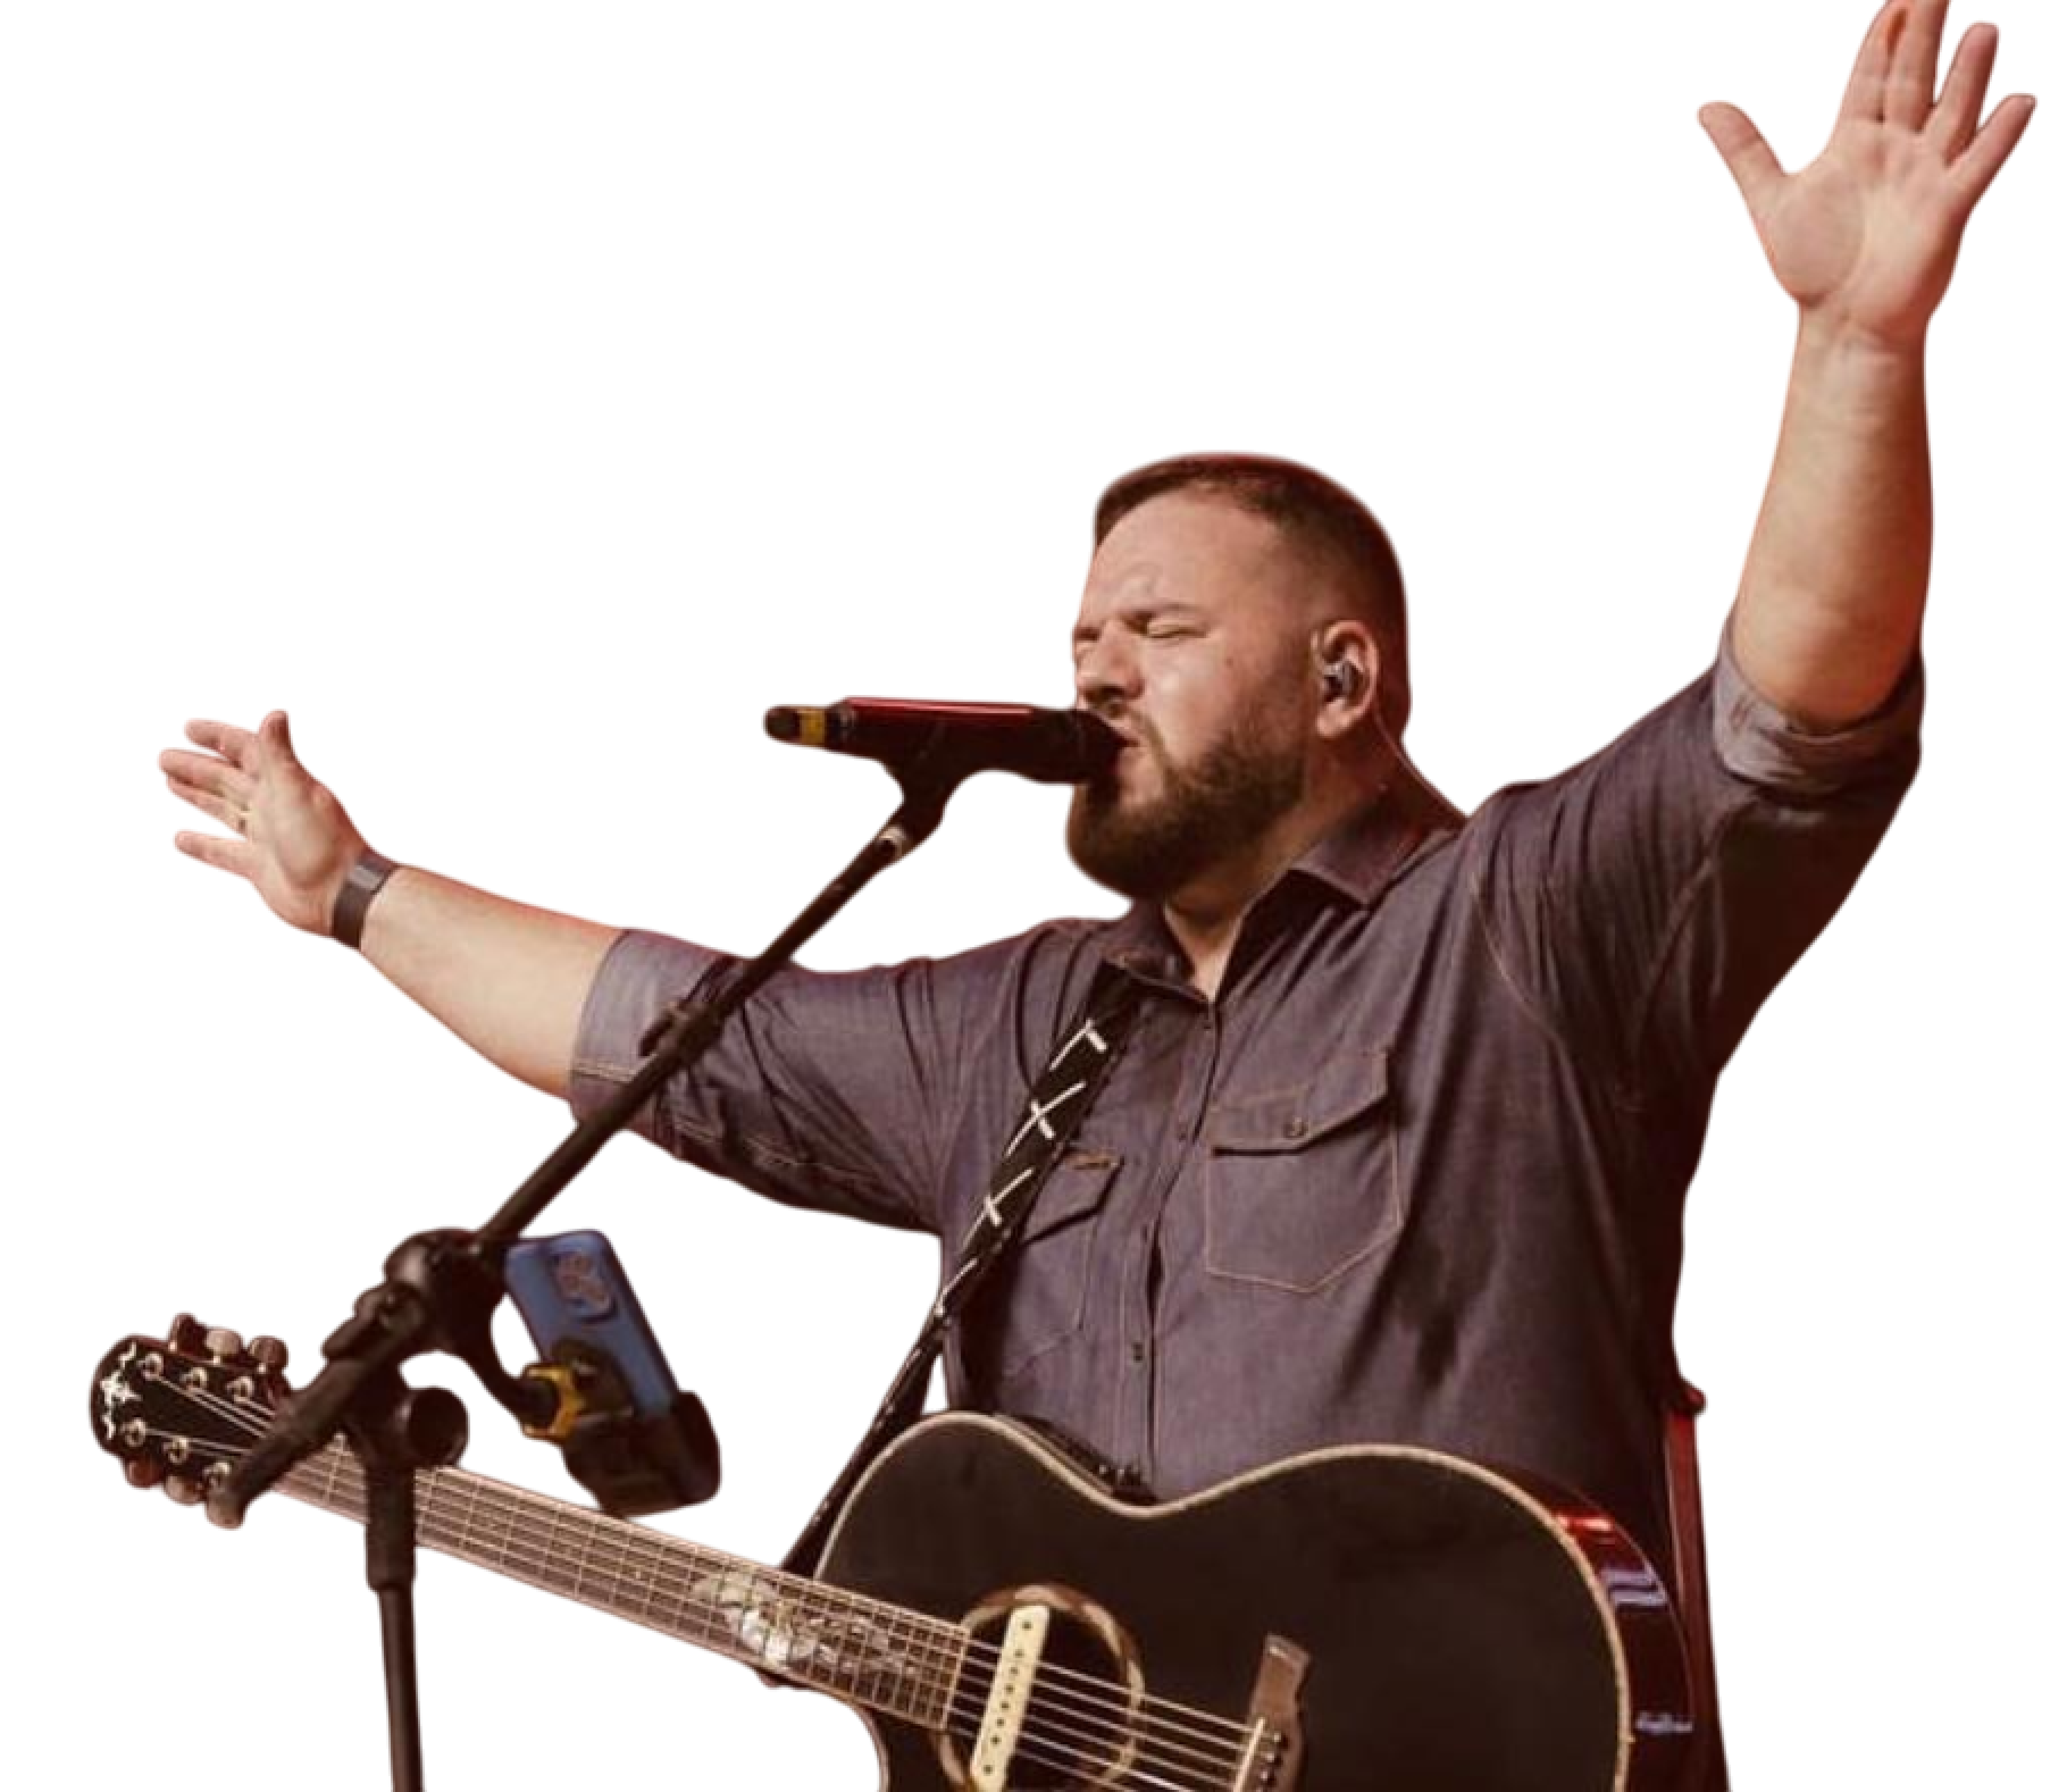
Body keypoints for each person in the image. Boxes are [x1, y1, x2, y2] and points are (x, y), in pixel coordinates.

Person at [134, 10, 2036, 1781]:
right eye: (1077, 633)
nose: (1089, 675)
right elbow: (676, 1037)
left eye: (1158, 629)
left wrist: (1856, 350)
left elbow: (1784, 718)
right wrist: (360, 891)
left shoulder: (1523, 927)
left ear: (1346, 682)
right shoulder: (1022, 1022)